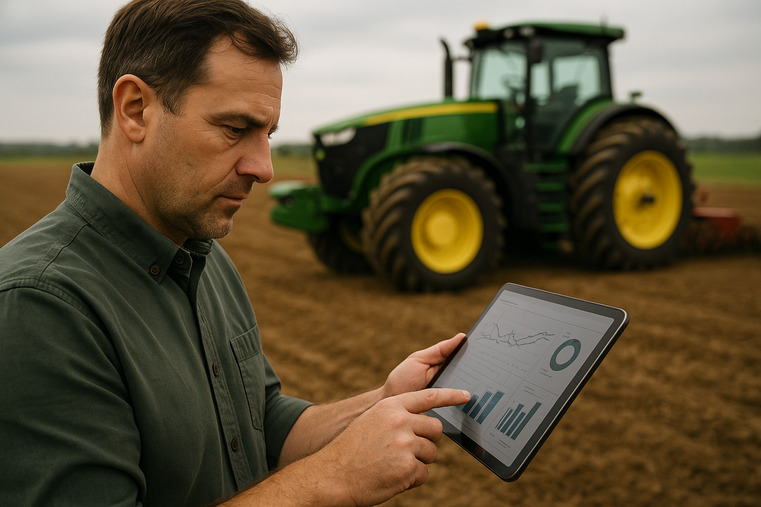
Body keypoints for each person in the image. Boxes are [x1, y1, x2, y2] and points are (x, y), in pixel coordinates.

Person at [0, 0, 471, 505]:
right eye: (234, 129)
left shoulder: (201, 255)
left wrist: (382, 402)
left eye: (268, 134)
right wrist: (330, 479)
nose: (264, 168)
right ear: (135, 108)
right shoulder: (40, 305)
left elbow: (260, 424)